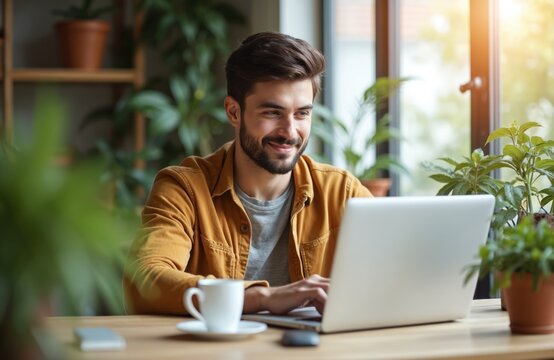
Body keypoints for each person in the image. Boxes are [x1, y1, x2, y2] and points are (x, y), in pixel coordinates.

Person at [124, 32, 372, 316]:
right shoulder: (184, 188)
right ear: (233, 111)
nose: (290, 132)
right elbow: (144, 281)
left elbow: (399, 271)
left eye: (302, 114)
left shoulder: (342, 192)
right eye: (272, 113)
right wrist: (262, 297)